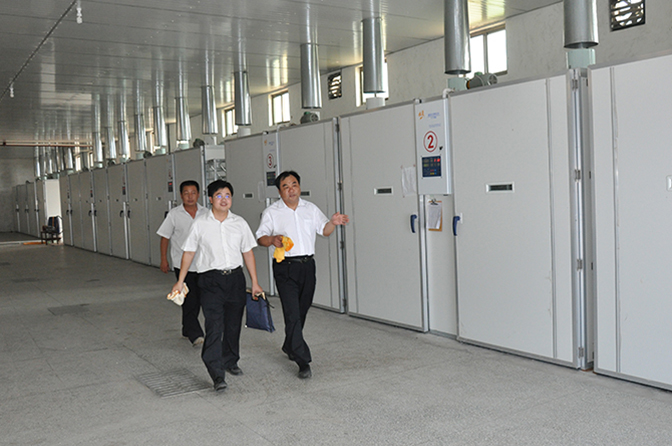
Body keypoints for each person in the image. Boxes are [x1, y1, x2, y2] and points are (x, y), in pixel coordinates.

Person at [256, 171, 349, 379]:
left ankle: (289, 344)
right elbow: (261, 238)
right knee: (292, 313)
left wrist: (333, 222)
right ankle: (302, 360)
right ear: (279, 191)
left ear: (299, 187)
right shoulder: (272, 212)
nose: (291, 190)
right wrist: (272, 240)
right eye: (286, 186)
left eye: (294, 184)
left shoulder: (310, 208)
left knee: (301, 310)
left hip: (307, 266)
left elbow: (324, 230)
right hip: (285, 267)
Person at [172, 179, 263, 392]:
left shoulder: (239, 223)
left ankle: (230, 360)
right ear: (211, 199)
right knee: (214, 325)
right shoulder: (200, 224)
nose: (224, 199)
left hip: (235, 279)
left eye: (227, 195)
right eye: (219, 196)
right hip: (210, 281)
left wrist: (255, 282)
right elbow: (189, 252)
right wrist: (180, 280)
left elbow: (248, 253)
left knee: (233, 324)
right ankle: (216, 373)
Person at [157, 180, 208, 346]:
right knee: (190, 299)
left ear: (198, 194)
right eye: (186, 193)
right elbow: (165, 237)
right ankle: (195, 334)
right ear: (181, 195)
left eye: (193, 193)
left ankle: (187, 328)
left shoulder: (206, 213)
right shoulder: (174, 214)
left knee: (198, 299)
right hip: (183, 264)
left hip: (203, 264)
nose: (190, 196)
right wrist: (164, 259)